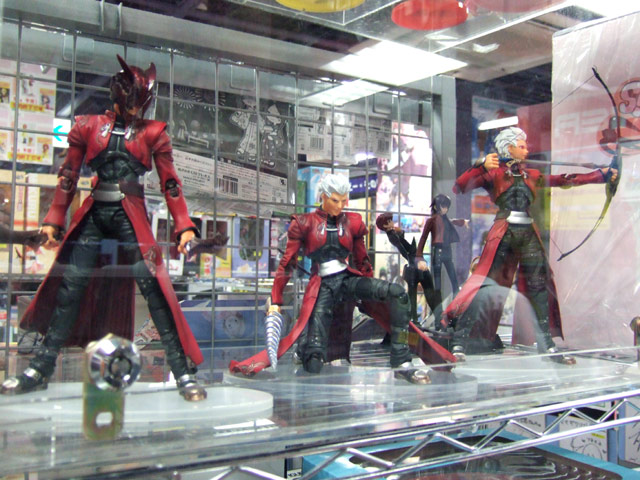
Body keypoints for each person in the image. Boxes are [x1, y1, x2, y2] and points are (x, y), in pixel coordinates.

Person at [1, 55, 206, 401]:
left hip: (131, 214)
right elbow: (68, 176)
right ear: (119, 94)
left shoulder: (154, 133)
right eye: (133, 101)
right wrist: (54, 219)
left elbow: (171, 184)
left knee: (154, 290)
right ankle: (40, 368)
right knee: (70, 287)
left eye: (141, 102)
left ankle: (182, 373)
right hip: (96, 210)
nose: (136, 109)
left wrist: (184, 225)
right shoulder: (88, 126)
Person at [230, 174, 453, 378]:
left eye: (344, 201)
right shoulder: (304, 223)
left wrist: (370, 296)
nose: (340, 206)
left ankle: (401, 358)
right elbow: (287, 264)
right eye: (335, 200)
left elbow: (362, 261)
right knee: (314, 359)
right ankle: (306, 350)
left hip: (347, 279)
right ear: (323, 197)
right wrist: (276, 299)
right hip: (322, 286)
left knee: (397, 293)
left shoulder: (353, 222)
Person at [443, 126, 617, 363]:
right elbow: (459, 186)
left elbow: (565, 180)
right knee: (484, 285)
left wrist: (601, 175)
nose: (527, 150)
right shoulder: (493, 172)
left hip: (527, 232)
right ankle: (460, 341)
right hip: (503, 232)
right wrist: (480, 166)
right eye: (522, 146)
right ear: (509, 148)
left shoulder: (531, 175)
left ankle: (546, 344)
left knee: (538, 285)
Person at [376, 212, 438, 324]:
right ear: (385, 225)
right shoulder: (392, 236)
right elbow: (403, 249)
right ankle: (416, 319)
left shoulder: (393, 233)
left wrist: (400, 232)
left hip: (414, 263)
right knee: (416, 295)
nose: (392, 222)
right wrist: (414, 260)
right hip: (414, 265)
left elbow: (404, 245)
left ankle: (420, 318)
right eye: (390, 221)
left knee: (420, 294)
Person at [416, 194, 469, 311]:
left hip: (447, 251)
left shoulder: (445, 219)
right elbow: (423, 238)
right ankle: (438, 310)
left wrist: (462, 222)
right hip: (438, 253)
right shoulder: (431, 220)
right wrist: (419, 257)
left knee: (454, 280)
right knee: (438, 285)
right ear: (436, 206)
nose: (445, 209)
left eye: (447, 207)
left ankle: (456, 305)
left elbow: (451, 221)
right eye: (443, 206)